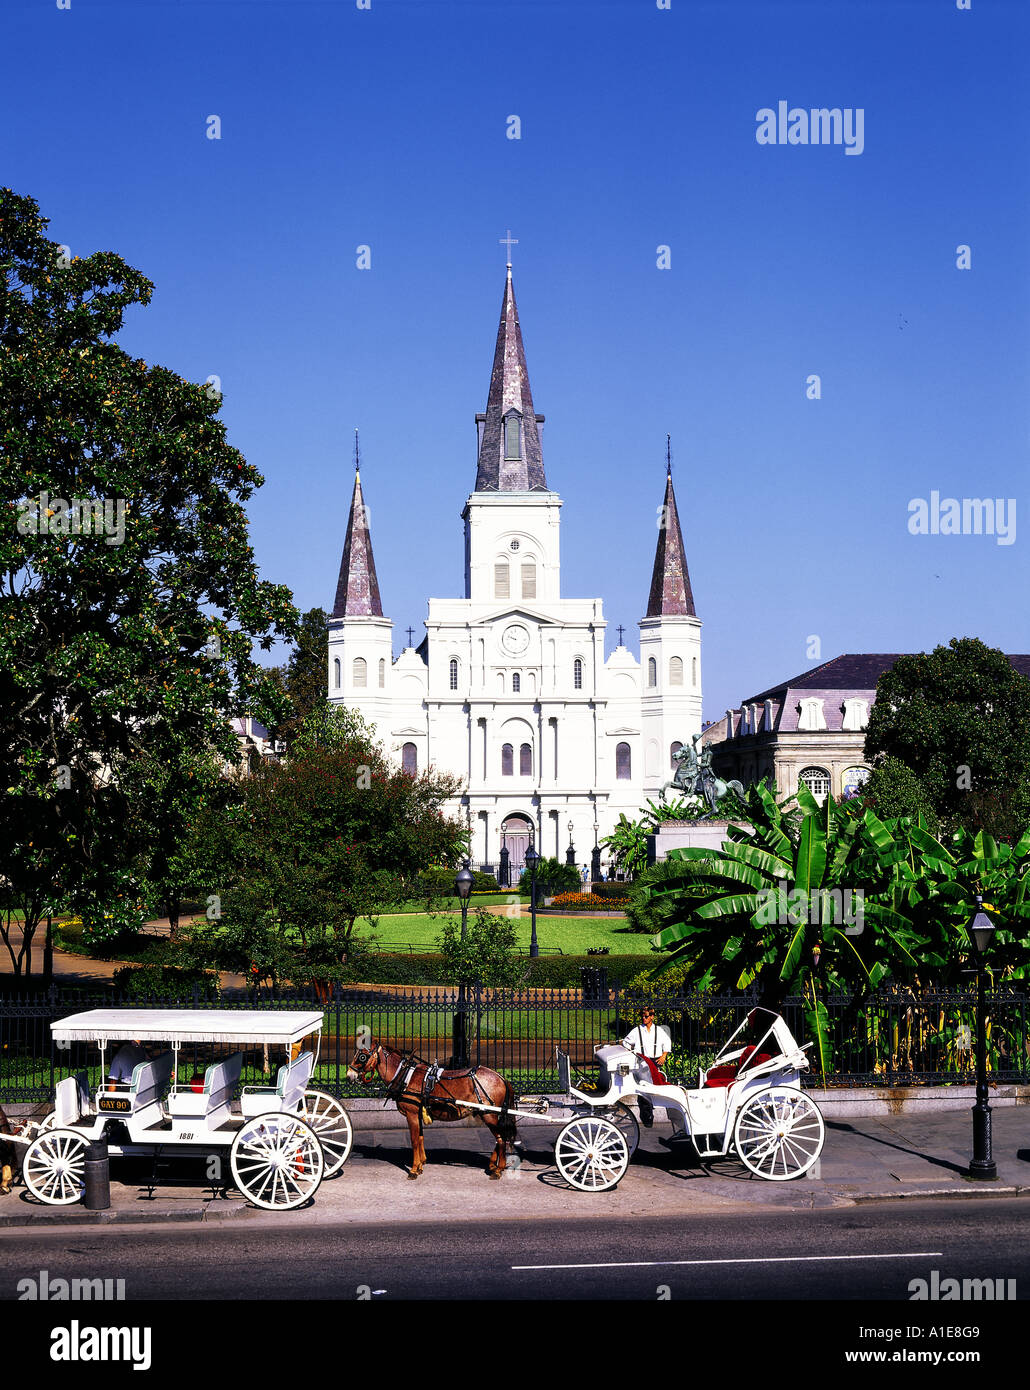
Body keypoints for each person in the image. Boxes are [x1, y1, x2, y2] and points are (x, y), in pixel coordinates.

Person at [622, 1008, 671, 1128]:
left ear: (652, 1017)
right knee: (644, 1088)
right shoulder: (637, 1031)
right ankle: (647, 1116)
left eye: (646, 1016)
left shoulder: (658, 1031)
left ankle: (650, 1112)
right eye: (643, 1016)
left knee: (653, 1088)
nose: (644, 1018)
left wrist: (664, 1056)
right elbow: (625, 1043)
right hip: (642, 1061)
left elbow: (667, 1043)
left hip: (654, 1062)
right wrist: (633, 1053)